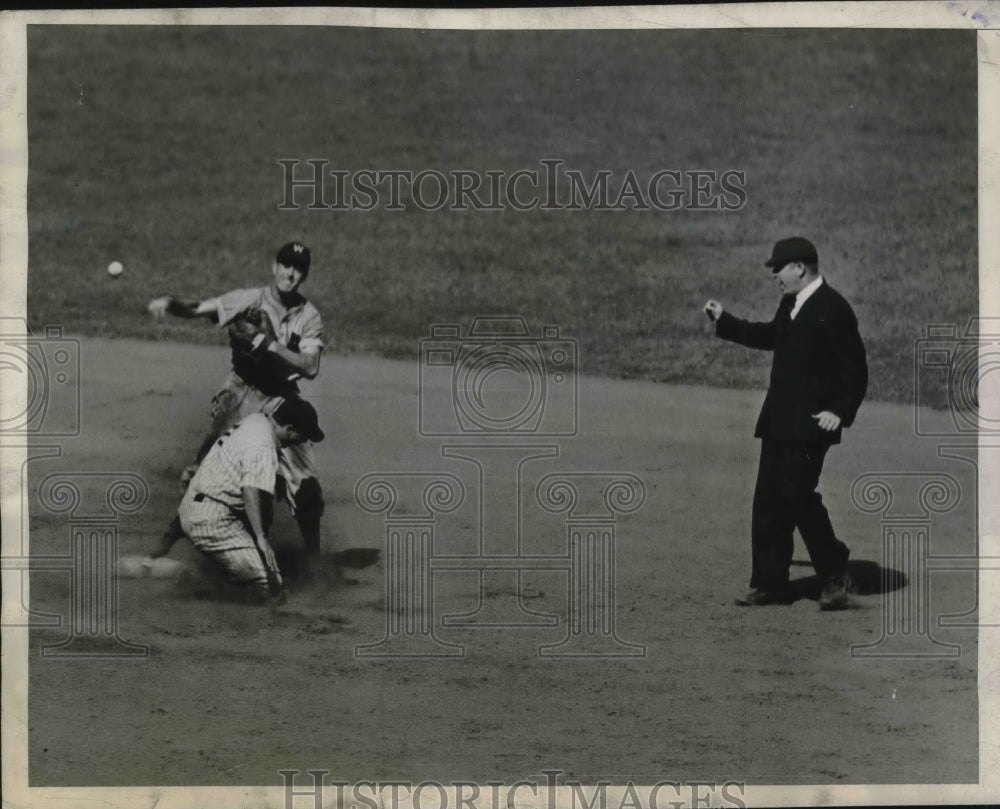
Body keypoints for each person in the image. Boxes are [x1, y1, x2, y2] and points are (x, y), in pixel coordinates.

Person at [704, 236, 868, 610]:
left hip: (813, 424)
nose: (775, 275)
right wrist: (725, 322)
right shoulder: (790, 303)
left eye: (778, 268)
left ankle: (833, 572)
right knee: (768, 501)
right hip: (779, 420)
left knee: (798, 496)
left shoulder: (834, 308)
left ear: (799, 267)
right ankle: (770, 582)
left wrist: (839, 412)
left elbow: (855, 370)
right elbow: (770, 336)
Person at [147, 241, 328, 581]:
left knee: (307, 486)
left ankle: (314, 561)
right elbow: (201, 308)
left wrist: (269, 344)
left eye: (298, 268)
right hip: (241, 392)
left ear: (304, 275)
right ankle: (164, 545)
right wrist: (168, 304)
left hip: (281, 398)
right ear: (274, 266)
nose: (290, 273)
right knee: (205, 469)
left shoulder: (308, 316)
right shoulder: (248, 299)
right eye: (285, 265)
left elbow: (311, 365)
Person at [178, 396, 325, 603]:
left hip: (201, 505)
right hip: (211, 518)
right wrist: (261, 539)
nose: (304, 441)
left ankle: (224, 572)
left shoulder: (258, 421)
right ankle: (202, 589)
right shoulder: (263, 446)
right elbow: (249, 490)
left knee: (264, 505)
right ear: (290, 430)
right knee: (268, 586)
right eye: (304, 435)